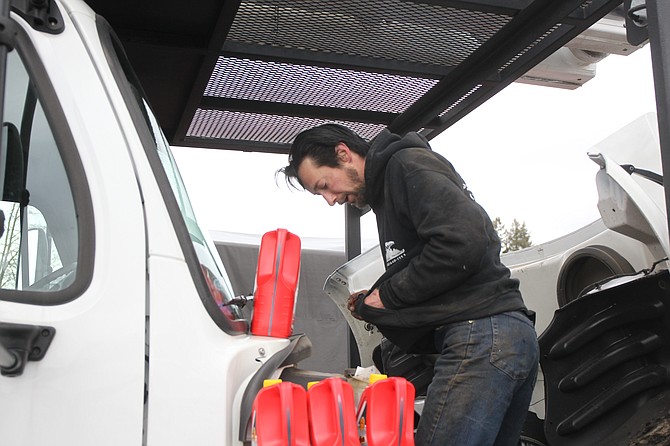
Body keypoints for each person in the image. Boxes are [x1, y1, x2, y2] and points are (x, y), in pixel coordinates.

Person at [278, 123, 539, 446]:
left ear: (343, 154)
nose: (331, 200)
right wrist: (375, 294)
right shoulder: (392, 187)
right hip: (504, 334)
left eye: (325, 185)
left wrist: (388, 295)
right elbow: (431, 256)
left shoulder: (406, 167)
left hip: (481, 335)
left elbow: (462, 243)